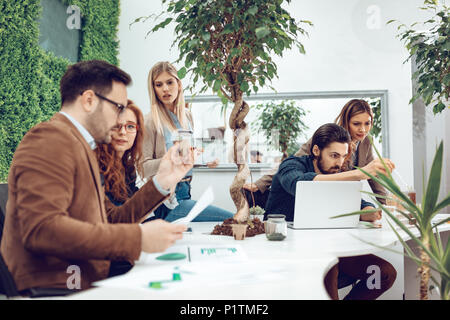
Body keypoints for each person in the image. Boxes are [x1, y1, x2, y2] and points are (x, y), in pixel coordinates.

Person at [0, 60, 192, 295]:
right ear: (89, 100)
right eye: (117, 107)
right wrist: (137, 238)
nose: (119, 122)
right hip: (57, 288)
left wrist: (164, 180)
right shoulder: (49, 139)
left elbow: (112, 219)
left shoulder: (79, 146)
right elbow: (43, 229)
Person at [264, 123, 397, 300]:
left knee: (384, 273)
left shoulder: (337, 172)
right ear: (317, 150)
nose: (340, 163)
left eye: (343, 156)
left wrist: (369, 211)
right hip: (289, 249)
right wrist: (360, 174)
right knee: (330, 264)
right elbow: (300, 184)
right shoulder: (291, 165)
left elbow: (358, 202)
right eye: (334, 156)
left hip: (330, 247)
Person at [244, 99, 387, 208]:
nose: (363, 129)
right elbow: (291, 164)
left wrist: (387, 205)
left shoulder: (366, 142)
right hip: (317, 192)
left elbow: (374, 178)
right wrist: (260, 183)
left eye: (367, 123)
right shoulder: (328, 138)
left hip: (340, 196)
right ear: (347, 121)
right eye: (357, 124)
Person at [141, 61, 233, 222]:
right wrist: (169, 159)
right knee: (231, 219)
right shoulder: (150, 121)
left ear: (179, 84)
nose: (165, 89)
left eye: (170, 82)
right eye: (159, 84)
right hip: (167, 200)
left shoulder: (187, 115)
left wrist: (203, 161)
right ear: (153, 88)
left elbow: (184, 157)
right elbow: (143, 168)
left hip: (185, 190)